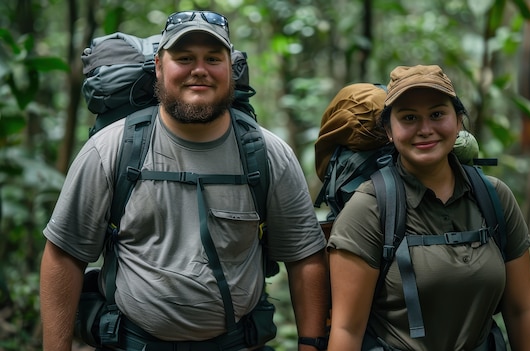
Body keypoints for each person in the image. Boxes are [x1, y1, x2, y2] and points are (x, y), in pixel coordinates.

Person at [40, 10, 329, 351]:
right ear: (159, 67)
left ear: (230, 69)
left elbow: (304, 257)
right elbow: (64, 255)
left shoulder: (267, 153)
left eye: (212, 58)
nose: (199, 70)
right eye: (184, 58)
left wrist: (310, 345)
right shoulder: (112, 148)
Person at [326, 64, 530, 350]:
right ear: (389, 131)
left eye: (437, 114)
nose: (425, 129)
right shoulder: (370, 209)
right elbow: (346, 330)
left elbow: (521, 310)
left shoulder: (494, 197)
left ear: (458, 122)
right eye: (409, 118)